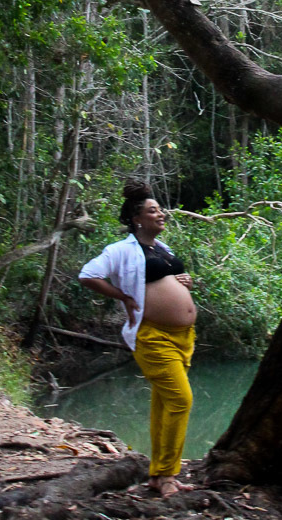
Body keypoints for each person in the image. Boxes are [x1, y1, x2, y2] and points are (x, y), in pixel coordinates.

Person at [78, 180, 197, 498]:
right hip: (153, 336)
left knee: (164, 403)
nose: (161, 214)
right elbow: (88, 275)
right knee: (180, 400)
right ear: (137, 219)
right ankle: (168, 474)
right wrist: (123, 296)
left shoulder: (163, 249)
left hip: (183, 337)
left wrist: (183, 281)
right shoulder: (121, 250)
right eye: (153, 211)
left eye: (160, 209)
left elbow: (164, 281)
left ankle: (158, 475)